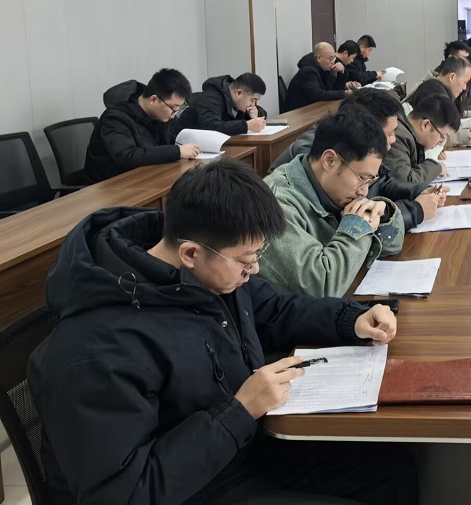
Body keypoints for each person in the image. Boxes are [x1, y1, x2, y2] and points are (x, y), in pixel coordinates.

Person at [28, 158, 415, 505]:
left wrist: (351, 319)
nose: (255, 270)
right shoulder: (96, 351)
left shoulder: (208, 272)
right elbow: (125, 492)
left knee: (392, 467)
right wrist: (240, 411)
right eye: (246, 261)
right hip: (196, 486)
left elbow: (274, 309)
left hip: (237, 451)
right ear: (190, 254)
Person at [261, 111, 404, 298]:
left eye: (370, 181)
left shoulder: (336, 190)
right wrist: (358, 227)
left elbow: (394, 245)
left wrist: (382, 215)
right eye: (362, 178)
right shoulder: (276, 204)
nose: (364, 191)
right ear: (330, 161)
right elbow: (322, 287)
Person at [268, 89, 448, 230]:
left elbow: (383, 182)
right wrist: (414, 211)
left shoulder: (359, 151)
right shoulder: (321, 156)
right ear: (365, 126)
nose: (393, 140)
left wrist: (419, 192)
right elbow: (352, 218)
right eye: (389, 133)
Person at [82, 68, 197, 183]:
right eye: (173, 107)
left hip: (146, 178)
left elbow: (169, 141)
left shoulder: (160, 114)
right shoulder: (115, 118)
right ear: (153, 100)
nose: (175, 113)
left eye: (179, 107)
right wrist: (177, 151)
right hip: (110, 185)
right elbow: (127, 157)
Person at [384, 93, 461, 184]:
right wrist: (435, 168)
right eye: (442, 136)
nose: (441, 143)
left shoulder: (409, 135)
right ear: (425, 125)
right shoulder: (398, 137)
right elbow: (403, 181)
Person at [178, 72, 268, 135]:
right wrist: (246, 125)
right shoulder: (211, 98)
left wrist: (257, 113)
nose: (253, 104)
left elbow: (258, 111)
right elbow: (211, 126)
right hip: (183, 145)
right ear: (238, 93)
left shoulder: (237, 101)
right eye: (252, 100)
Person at [284, 42, 357, 111]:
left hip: (313, 109)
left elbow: (333, 90)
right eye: (330, 59)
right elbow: (319, 95)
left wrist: (341, 73)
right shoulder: (308, 71)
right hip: (297, 112)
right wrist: (345, 93)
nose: (333, 62)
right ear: (319, 58)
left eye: (334, 59)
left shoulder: (324, 69)